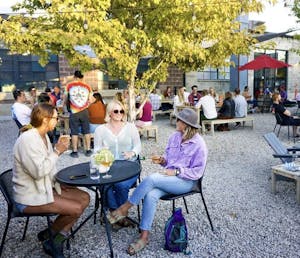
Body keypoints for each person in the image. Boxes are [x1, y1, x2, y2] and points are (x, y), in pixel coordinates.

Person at [106, 108, 207, 255]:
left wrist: (177, 172)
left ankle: (124, 208)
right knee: (151, 194)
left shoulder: (199, 144)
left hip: (186, 182)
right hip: (170, 179)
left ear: (185, 124)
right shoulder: (174, 136)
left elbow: (197, 172)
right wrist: (162, 160)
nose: (175, 120)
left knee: (152, 178)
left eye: (178, 119)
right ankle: (144, 236)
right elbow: (168, 160)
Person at [12, 103, 90, 257]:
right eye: (56, 118)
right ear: (45, 120)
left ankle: (54, 236)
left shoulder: (43, 136)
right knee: (75, 208)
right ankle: (52, 239)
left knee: (85, 198)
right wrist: (57, 151)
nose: (58, 121)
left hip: (45, 188)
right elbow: (38, 172)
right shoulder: (27, 140)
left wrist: (59, 182)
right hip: (28, 197)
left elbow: (47, 167)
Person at [94, 100, 141, 219]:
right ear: (109, 113)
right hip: (108, 167)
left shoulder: (131, 127)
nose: (119, 113)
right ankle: (118, 214)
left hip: (129, 166)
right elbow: (96, 150)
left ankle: (115, 216)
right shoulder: (100, 130)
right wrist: (102, 153)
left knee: (120, 185)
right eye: (116, 111)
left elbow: (138, 145)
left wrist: (133, 152)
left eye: (122, 111)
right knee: (105, 185)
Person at [66, 70, 95, 157]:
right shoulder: (87, 86)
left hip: (74, 111)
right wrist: (87, 104)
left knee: (74, 131)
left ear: (74, 77)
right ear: (81, 77)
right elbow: (92, 99)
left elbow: (64, 98)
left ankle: (75, 151)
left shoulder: (69, 85)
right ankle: (88, 150)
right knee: (86, 131)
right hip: (84, 111)